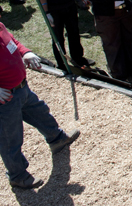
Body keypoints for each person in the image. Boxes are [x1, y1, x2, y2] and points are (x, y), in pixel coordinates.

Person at [0, 25, 80, 189]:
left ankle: (57, 139)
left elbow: (13, 42)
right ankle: (17, 176)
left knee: (41, 112)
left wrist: (25, 52)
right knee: (10, 139)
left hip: (21, 88)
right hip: (5, 100)